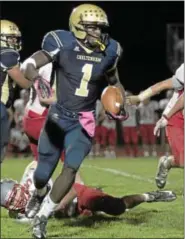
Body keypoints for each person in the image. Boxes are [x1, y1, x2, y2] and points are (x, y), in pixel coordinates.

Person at [21, 3, 129, 239]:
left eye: (100, 28)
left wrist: (120, 102)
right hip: (58, 117)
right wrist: (36, 80)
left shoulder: (110, 50)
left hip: (84, 121)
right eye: (92, 27)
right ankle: (38, 194)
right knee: (42, 174)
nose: (98, 33)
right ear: (78, 27)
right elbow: (28, 64)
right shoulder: (61, 42)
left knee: (70, 168)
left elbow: (114, 81)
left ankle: (42, 218)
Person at [0, 162, 177, 222]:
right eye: (12, 201)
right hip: (68, 212)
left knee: (118, 207)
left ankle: (149, 196)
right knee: (95, 216)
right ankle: (93, 208)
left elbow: (35, 165)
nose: (17, 201)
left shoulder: (32, 181)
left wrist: (50, 206)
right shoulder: (16, 215)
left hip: (69, 194)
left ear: (19, 185)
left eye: (15, 194)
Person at [0, 20, 50, 163]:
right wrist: (36, 81)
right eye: (10, 38)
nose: (14, 41)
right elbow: (23, 82)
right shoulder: (7, 54)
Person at [127, 63, 184, 188]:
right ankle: (167, 163)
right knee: (182, 161)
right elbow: (163, 85)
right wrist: (140, 97)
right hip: (176, 115)